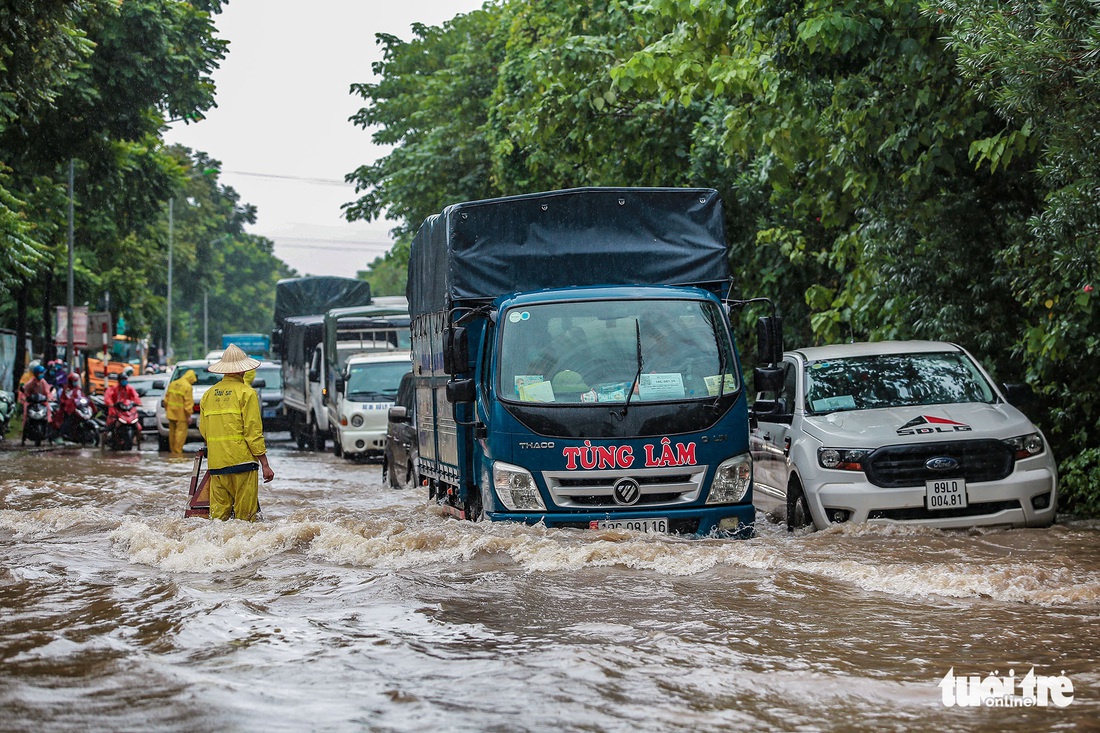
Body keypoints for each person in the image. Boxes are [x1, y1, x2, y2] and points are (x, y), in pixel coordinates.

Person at [199, 344, 274, 521]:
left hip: (217, 466)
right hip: (243, 464)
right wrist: (265, 464)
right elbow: (253, 431)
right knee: (245, 521)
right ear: (243, 370)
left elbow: (204, 430)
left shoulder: (208, 395)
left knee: (218, 521)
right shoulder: (247, 393)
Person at [163, 369, 197, 454]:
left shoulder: (173, 383)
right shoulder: (187, 386)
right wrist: (188, 415)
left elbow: (166, 400)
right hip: (181, 415)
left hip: (171, 413)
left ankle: (172, 451)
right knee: (180, 434)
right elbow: (188, 403)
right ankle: (178, 453)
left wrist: (167, 409)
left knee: (172, 433)